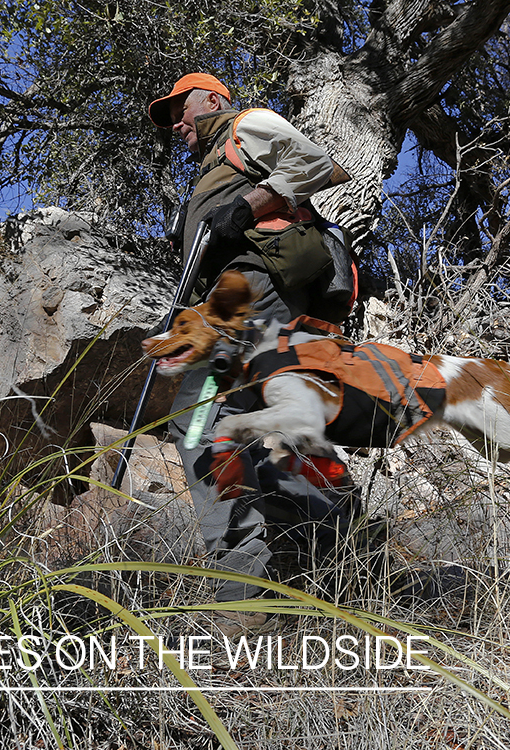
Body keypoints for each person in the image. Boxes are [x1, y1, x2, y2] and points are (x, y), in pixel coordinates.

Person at [147, 73, 358, 634]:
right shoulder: (210, 167)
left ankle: (242, 596)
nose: (176, 124)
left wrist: (247, 205)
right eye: (168, 118)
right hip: (240, 302)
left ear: (212, 99)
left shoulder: (247, 125)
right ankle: (329, 559)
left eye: (179, 108)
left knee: (195, 421)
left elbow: (322, 164)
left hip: (248, 296)